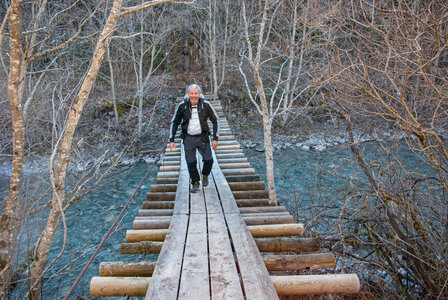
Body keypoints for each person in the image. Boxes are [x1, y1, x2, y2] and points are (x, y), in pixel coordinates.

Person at [169, 84, 219, 192]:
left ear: (199, 94)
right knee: (191, 162)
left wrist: (215, 138)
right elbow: (175, 122)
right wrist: (171, 140)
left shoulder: (206, 105)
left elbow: (215, 120)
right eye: (191, 93)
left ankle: (205, 175)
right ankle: (195, 182)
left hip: (203, 138)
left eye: (196, 93)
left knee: (209, 160)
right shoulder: (183, 106)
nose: (194, 95)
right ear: (188, 94)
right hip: (188, 138)